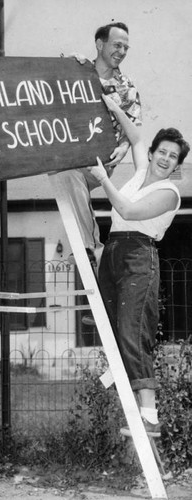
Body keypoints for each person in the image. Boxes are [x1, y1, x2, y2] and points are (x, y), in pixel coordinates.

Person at [87, 93, 190, 436]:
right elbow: (135, 137)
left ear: (177, 167)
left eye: (173, 157)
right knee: (112, 326)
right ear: (152, 154)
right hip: (113, 252)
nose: (165, 158)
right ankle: (118, 373)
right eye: (162, 151)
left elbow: (129, 212)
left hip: (139, 256)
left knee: (134, 330)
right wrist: (114, 107)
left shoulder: (170, 193)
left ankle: (150, 416)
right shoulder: (141, 170)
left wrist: (103, 180)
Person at [59, 21, 142, 265]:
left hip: (99, 162)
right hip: (69, 157)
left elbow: (134, 128)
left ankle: (86, 244)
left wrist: (124, 146)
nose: (122, 51)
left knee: (68, 174)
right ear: (99, 44)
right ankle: (91, 247)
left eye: (126, 47)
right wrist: (66, 64)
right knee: (64, 173)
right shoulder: (77, 71)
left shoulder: (127, 88)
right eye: (117, 45)